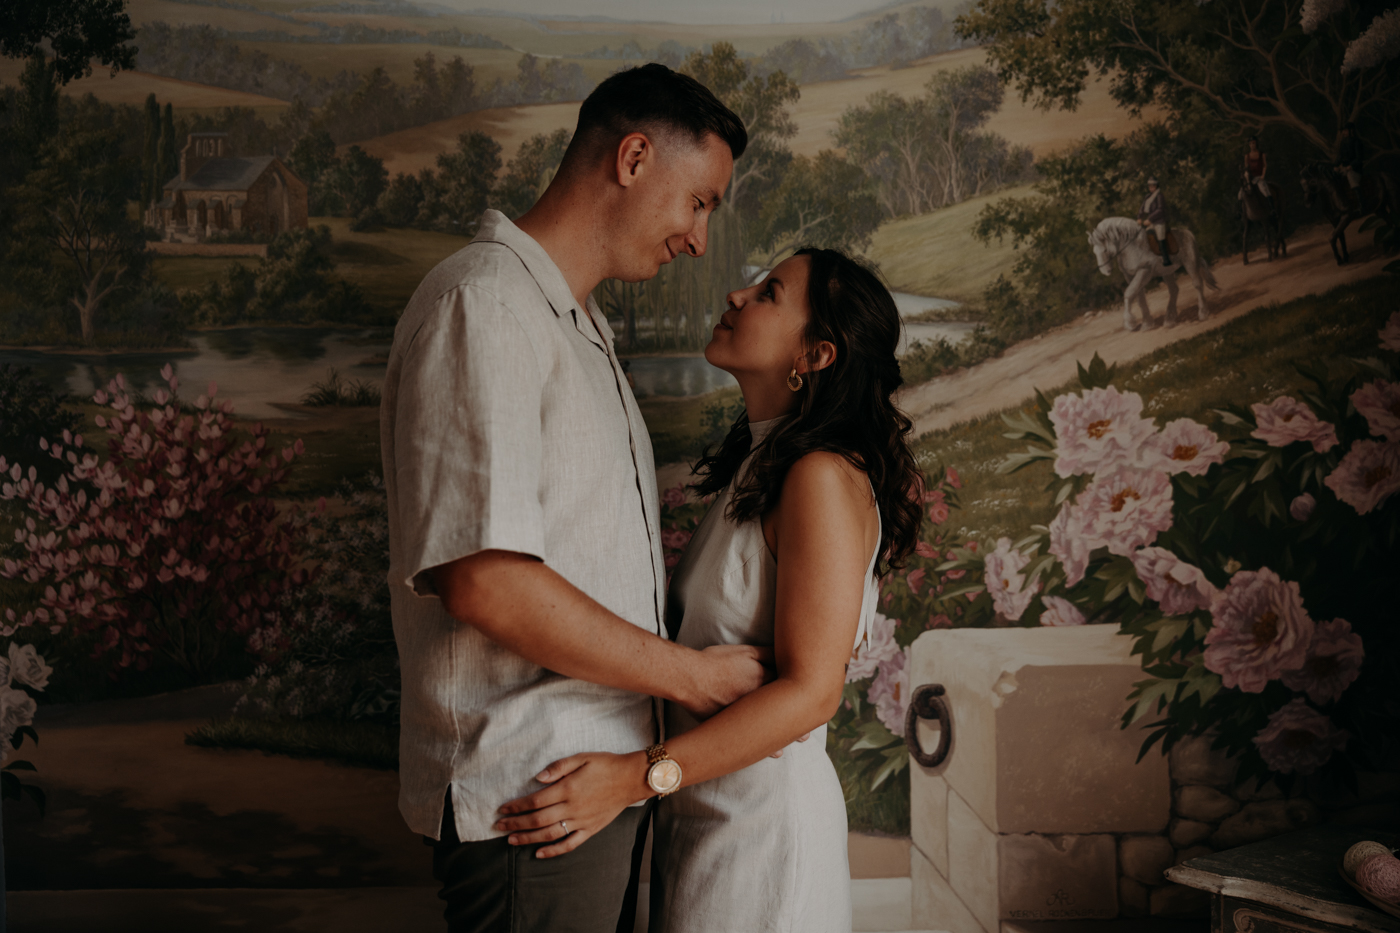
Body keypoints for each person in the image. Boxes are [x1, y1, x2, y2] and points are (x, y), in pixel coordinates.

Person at [380, 64, 773, 933]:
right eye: (699, 202)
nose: (700, 240)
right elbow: (484, 580)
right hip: (536, 798)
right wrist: (694, 675)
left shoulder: (570, 319)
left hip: (586, 793)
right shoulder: (486, 305)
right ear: (633, 158)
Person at [494, 249, 925, 933]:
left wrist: (632, 777)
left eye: (769, 292)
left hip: (764, 833)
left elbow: (812, 692)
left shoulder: (817, 475)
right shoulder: (764, 462)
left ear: (815, 353)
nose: (737, 292)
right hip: (706, 817)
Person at [1138, 176, 1173, 267]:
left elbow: (1160, 210)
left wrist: (1150, 219)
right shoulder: (1147, 197)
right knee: (1145, 236)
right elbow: (1142, 208)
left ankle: (1166, 259)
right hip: (1151, 222)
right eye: (1149, 186)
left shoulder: (1159, 196)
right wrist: (1139, 217)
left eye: (1153, 186)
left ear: (1156, 186)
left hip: (1159, 221)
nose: (1151, 187)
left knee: (1160, 237)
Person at [1244, 136, 1277, 214]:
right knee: (1241, 193)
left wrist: (1263, 175)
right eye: (1251, 143)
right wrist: (1248, 178)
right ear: (1249, 145)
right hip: (1251, 179)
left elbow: (1264, 165)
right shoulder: (1246, 156)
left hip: (1259, 177)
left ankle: (1272, 209)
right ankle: (1241, 212)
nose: (1252, 145)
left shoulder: (1262, 154)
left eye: (1254, 143)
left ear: (1256, 144)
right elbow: (1246, 169)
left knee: (1265, 190)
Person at [1336, 122, 1364, 207]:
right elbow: (1340, 157)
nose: (1343, 133)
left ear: (1351, 131)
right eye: (1343, 131)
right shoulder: (1343, 143)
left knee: (1351, 177)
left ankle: (1361, 204)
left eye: (1345, 130)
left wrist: (1351, 166)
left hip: (1355, 169)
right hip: (1345, 168)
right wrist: (1336, 166)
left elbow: (1359, 158)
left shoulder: (1357, 142)